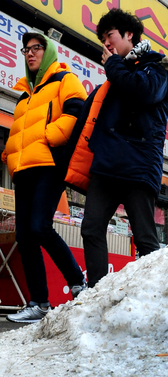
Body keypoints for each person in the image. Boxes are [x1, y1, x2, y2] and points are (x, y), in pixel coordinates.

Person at [65, 8, 168, 288]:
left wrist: (114, 64)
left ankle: (156, 295)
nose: (106, 43)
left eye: (110, 36)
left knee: (144, 238)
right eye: (102, 38)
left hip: (139, 166)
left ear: (129, 35)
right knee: (91, 228)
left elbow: (144, 91)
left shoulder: (156, 66)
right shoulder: (114, 76)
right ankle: (97, 293)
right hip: (106, 165)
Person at [2, 32, 87, 324]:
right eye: (26, 49)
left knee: (39, 227)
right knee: (24, 236)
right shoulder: (25, 95)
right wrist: (9, 156)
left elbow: (77, 114)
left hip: (50, 165)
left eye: (36, 48)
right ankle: (39, 302)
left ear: (48, 51)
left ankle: (78, 283)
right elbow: (18, 133)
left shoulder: (66, 79)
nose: (30, 53)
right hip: (23, 170)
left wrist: (50, 137)